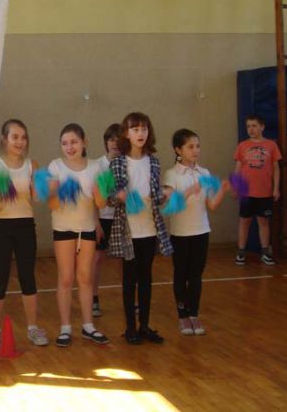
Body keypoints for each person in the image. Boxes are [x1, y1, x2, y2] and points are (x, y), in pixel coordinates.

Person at [0, 119, 49, 350]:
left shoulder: (32, 165)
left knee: (28, 278)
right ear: (4, 139)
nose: (20, 142)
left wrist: (43, 184)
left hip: (25, 226)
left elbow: (37, 198)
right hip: (1, 227)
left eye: (23, 137)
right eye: (15, 137)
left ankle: (32, 327)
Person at [106, 112, 173, 345]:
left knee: (146, 278)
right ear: (126, 134)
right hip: (129, 230)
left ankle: (144, 325)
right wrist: (119, 196)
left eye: (144, 129)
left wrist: (165, 193)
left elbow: (155, 195)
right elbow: (110, 197)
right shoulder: (118, 163)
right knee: (129, 279)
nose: (140, 133)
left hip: (149, 228)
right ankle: (130, 327)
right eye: (135, 129)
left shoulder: (153, 161)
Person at [163, 129, 229, 336]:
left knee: (196, 275)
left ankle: (194, 314)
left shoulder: (204, 173)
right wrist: (191, 190)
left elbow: (212, 205)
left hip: (201, 231)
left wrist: (223, 190)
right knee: (181, 274)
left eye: (197, 146)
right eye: (190, 146)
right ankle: (182, 316)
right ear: (178, 150)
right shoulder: (171, 174)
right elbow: (172, 206)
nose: (195, 150)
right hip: (180, 233)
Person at [47, 124, 108, 347]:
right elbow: (52, 204)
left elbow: (101, 203)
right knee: (65, 278)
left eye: (74, 142)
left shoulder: (96, 167)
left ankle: (88, 325)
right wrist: (60, 193)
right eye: (64, 143)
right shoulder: (55, 166)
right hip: (63, 229)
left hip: (87, 229)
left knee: (85, 277)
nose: (69, 147)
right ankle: (65, 327)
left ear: (84, 142)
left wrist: (98, 191)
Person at [233, 115, 281, 265]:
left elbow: (276, 169)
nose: (251, 129)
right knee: (244, 222)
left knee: (263, 222)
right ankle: (241, 252)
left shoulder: (271, 145)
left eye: (254, 126)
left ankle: (265, 253)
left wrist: (276, 188)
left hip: (264, 192)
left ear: (262, 127)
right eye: (248, 126)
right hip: (246, 192)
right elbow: (238, 168)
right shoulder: (242, 146)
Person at [93, 123, 121, 317]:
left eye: (118, 140)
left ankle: (129, 298)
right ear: (106, 142)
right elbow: (93, 197)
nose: (115, 143)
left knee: (124, 261)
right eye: (111, 139)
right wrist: (96, 223)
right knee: (96, 259)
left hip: (121, 219)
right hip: (102, 219)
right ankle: (94, 298)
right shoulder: (97, 166)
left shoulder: (127, 164)